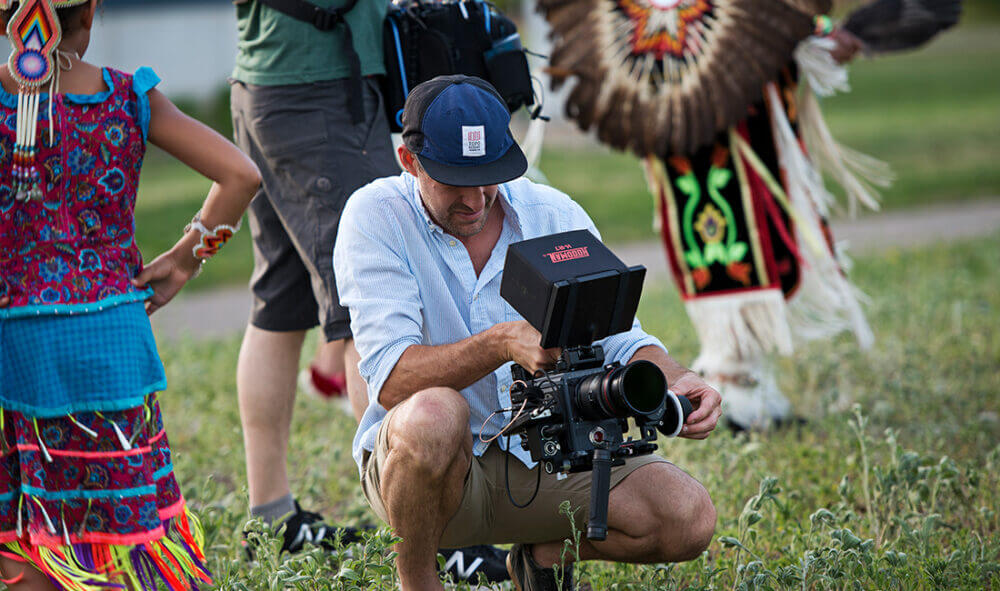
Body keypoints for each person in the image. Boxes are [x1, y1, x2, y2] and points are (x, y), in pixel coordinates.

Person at [333, 75, 722, 591]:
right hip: (435, 477)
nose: (475, 199)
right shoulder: (376, 215)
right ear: (411, 161)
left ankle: (539, 559)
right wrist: (500, 342)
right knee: (433, 413)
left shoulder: (553, 213)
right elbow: (392, 382)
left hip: (549, 462)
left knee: (688, 517)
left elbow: (622, 339)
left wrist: (676, 377)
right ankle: (418, 580)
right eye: (454, 180)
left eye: (490, 176)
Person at [0, 0, 260, 588]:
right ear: (90, 13)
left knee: (24, 532)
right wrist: (185, 260)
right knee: (123, 535)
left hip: (12, 353)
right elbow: (241, 175)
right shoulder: (128, 98)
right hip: (113, 350)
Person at [229, 0, 399, 549]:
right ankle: (424, 523)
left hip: (273, 83)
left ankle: (272, 515)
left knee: (279, 300)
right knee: (365, 307)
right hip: (317, 90)